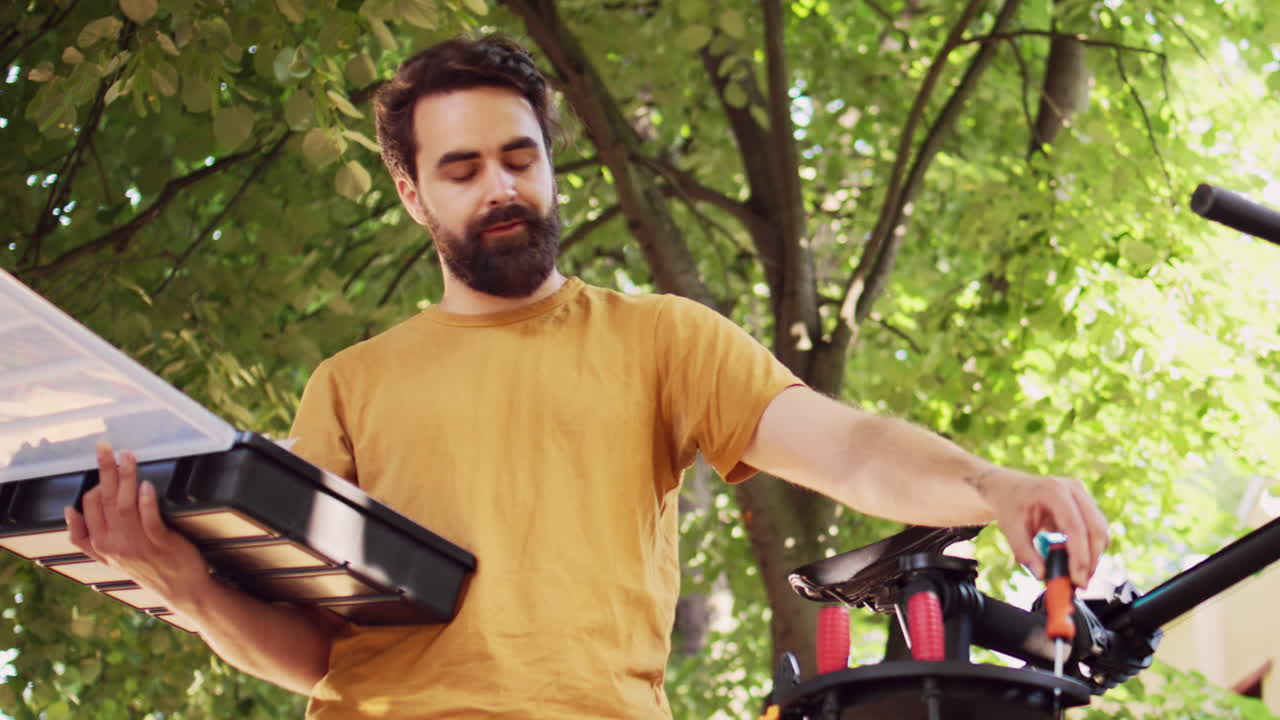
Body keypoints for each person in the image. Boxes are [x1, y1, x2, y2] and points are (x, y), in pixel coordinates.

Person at [66, 34, 1109, 720]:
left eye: (519, 157)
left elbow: (839, 445)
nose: (502, 188)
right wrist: (186, 585)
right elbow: (315, 652)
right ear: (411, 192)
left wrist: (987, 487)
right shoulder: (347, 387)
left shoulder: (659, 339)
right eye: (462, 170)